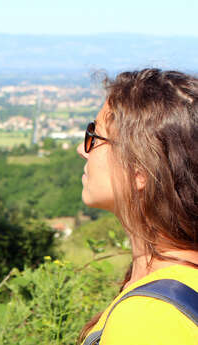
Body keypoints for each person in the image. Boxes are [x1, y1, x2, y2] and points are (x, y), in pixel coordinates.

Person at [76, 68, 198, 345]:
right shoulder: (176, 289)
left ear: (139, 171)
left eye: (95, 137)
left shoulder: (151, 318)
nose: (83, 150)